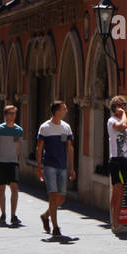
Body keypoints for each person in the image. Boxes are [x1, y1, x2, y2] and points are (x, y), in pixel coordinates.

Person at [35, 101, 76, 240]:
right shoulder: (45, 127)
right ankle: (55, 227)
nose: (66, 111)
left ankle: (46, 215)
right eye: (64, 109)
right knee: (53, 195)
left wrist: (72, 167)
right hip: (49, 165)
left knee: (62, 197)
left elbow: (70, 148)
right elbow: (39, 148)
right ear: (57, 111)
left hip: (62, 165)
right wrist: (39, 166)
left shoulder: (66, 127)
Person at [0, 104, 23, 227]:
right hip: (1, 161)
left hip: (13, 162)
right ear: (5, 115)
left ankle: (13, 215)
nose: (13, 116)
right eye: (10, 113)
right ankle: (3, 214)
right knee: (1, 188)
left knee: (14, 188)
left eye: (14, 113)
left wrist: (17, 161)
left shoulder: (18, 130)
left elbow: (19, 147)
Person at [107, 95, 127, 237]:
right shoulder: (112, 121)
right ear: (115, 107)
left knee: (117, 193)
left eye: (124, 105)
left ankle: (114, 221)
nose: (124, 107)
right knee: (118, 193)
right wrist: (123, 114)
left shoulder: (118, 119)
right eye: (121, 105)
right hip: (117, 160)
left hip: (121, 159)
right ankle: (116, 225)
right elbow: (123, 125)